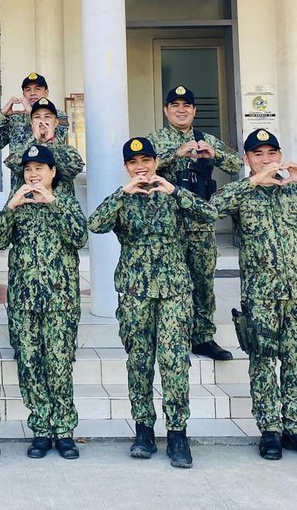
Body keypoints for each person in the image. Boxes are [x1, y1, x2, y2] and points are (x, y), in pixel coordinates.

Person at [213, 129, 297, 462]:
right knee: (262, 364)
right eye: (258, 154)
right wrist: (253, 182)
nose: (267, 159)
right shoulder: (243, 193)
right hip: (260, 297)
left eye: (272, 153)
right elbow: (211, 209)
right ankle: (270, 430)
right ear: (247, 160)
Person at [89, 137, 220, 469]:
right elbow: (95, 224)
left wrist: (175, 191)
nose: (141, 167)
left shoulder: (174, 197)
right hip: (136, 293)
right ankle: (144, 430)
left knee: (175, 363)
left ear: (156, 162)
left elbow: (210, 213)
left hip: (175, 290)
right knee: (140, 362)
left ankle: (178, 434)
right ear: (126, 167)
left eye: (146, 160)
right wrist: (122, 193)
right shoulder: (123, 200)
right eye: (134, 163)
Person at [0, 145, 87, 460]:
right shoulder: (18, 205)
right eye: (28, 170)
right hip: (24, 301)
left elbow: (79, 238)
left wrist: (54, 203)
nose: (33, 174)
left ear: (53, 173)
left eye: (39, 168)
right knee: (29, 365)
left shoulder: (67, 202)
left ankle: (65, 431)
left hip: (60, 301)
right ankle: (41, 429)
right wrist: (10, 207)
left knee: (58, 365)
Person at [148, 85, 244, 362]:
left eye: (186, 106)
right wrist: (174, 154)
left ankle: (202, 337)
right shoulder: (155, 140)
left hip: (200, 223)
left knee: (202, 280)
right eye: (175, 105)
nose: (181, 110)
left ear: (194, 111)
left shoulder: (205, 139)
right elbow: (142, 168)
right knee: (167, 281)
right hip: (168, 225)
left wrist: (214, 155)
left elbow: (236, 164)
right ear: (166, 110)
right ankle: (170, 334)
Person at [3, 98, 84, 196]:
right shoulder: (24, 148)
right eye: (37, 117)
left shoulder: (68, 150)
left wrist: (50, 141)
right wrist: (34, 138)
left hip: (58, 207)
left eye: (47, 117)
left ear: (56, 123)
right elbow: (14, 165)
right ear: (31, 123)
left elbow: (73, 168)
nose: (42, 121)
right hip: (27, 206)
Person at [0, 72, 66, 162]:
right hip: (20, 174)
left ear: (46, 93)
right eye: (28, 90)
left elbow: (58, 140)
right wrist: (2, 116)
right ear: (23, 95)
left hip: (48, 173)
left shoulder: (58, 115)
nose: (32, 93)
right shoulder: (15, 119)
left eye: (37, 89)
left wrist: (32, 114)